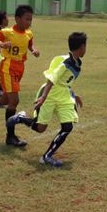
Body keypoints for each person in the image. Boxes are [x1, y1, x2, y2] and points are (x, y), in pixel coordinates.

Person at [7, 32, 87, 167]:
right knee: (40, 128)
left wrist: (74, 94)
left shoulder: (77, 62)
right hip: (49, 95)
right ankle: (21, 118)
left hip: (64, 96)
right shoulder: (66, 63)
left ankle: (47, 156)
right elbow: (52, 79)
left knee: (68, 127)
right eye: (86, 46)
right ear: (82, 47)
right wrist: (43, 97)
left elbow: (65, 82)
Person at [0, 4, 40, 146]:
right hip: (8, 67)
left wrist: (33, 50)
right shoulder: (7, 32)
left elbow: (30, 44)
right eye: (27, 19)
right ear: (17, 18)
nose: (29, 22)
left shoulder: (29, 33)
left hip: (20, 67)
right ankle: (10, 136)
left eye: (30, 19)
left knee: (4, 100)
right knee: (14, 101)